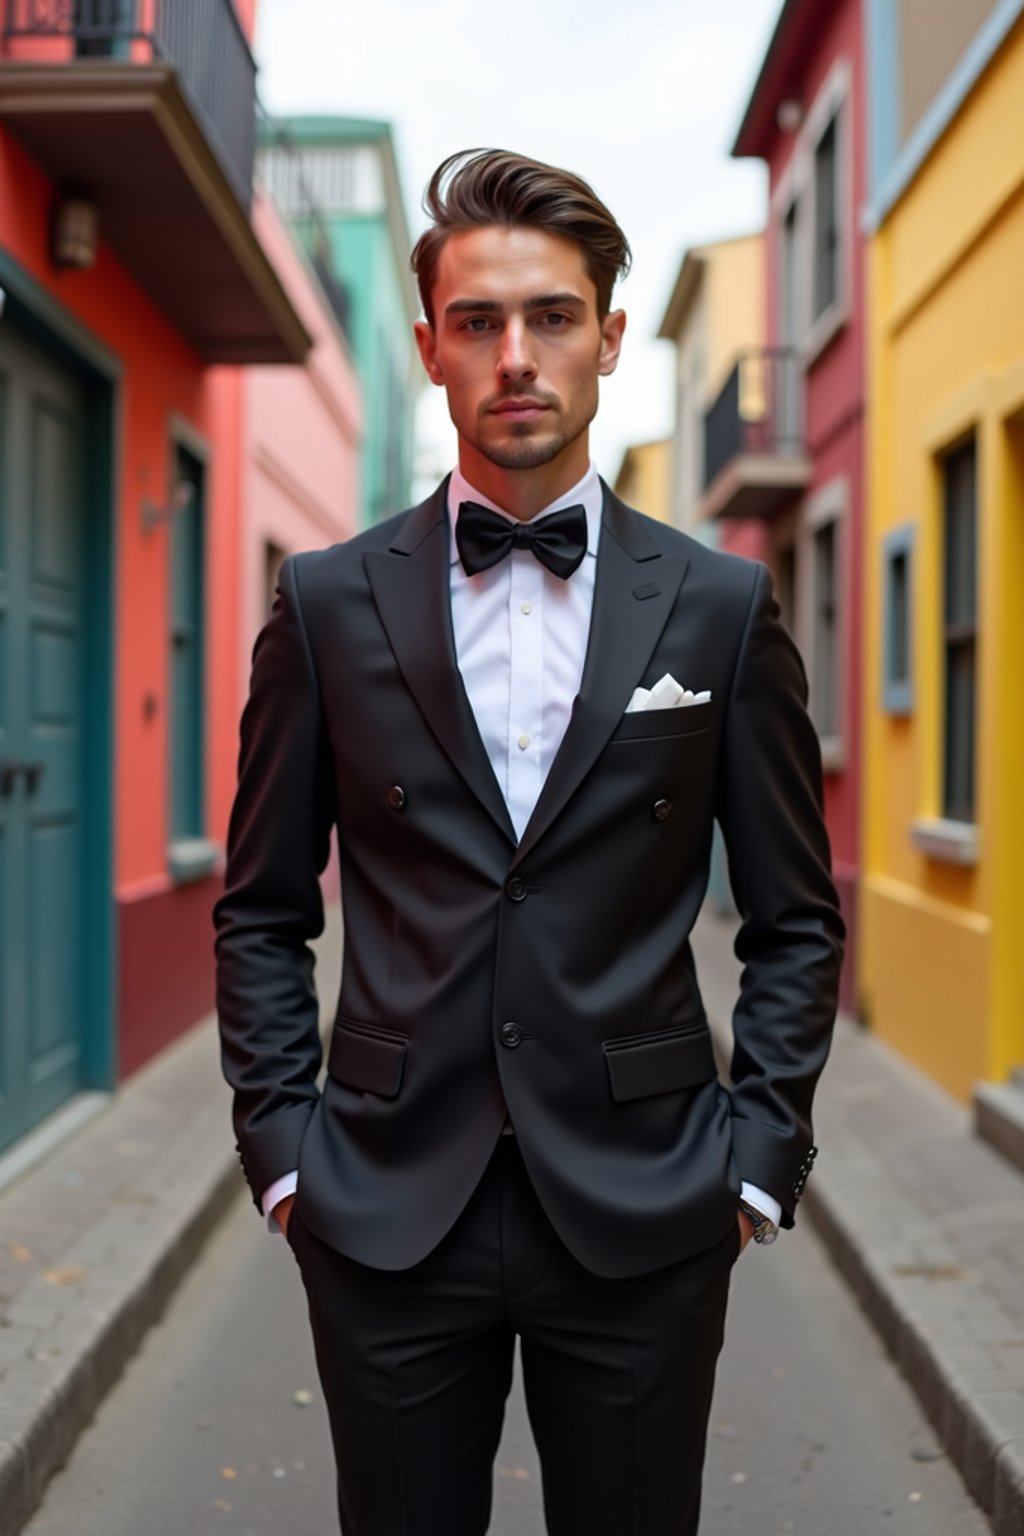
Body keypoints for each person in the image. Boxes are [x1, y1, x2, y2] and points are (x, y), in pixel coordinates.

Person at [214, 147, 844, 1536]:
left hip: (647, 1205)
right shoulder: (322, 604)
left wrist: (757, 1161)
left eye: (553, 316)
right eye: (482, 321)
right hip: (383, 1203)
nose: (518, 355)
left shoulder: (722, 609)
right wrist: (282, 1154)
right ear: (432, 344)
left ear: (611, 341)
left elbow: (798, 918)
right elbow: (262, 907)